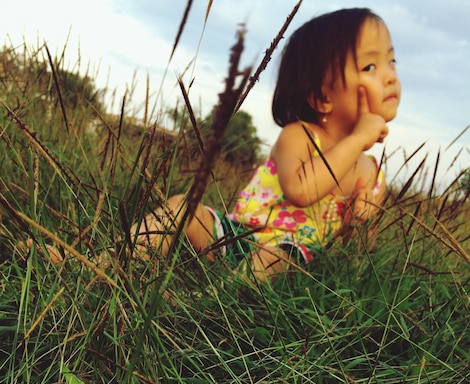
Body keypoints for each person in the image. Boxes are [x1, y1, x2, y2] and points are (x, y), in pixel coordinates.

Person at [131, 7, 401, 279]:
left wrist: (358, 224)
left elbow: (358, 257)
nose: (390, 76)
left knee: (276, 256)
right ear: (321, 98)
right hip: (239, 235)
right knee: (182, 207)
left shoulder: (372, 173)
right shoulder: (301, 136)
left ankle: (214, 302)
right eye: (370, 66)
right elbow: (300, 190)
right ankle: (117, 260)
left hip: (294, 260)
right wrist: (357, 140)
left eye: (392, 61)